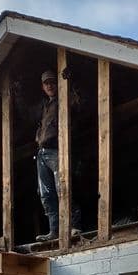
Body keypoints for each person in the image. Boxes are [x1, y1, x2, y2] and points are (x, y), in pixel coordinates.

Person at [34, 70, 82, 242]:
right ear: (43, 87)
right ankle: (54, 230)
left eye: (53, 82)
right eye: (47, 83)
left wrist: (72, 82)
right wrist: (16, 94)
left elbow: (80, 102)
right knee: (46, 193)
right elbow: (26, 114)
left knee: (63, 187)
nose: (50, 86)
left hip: (57, 150)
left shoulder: (65, 99)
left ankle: (73, 226)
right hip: (42, 153)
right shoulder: (44, 106)